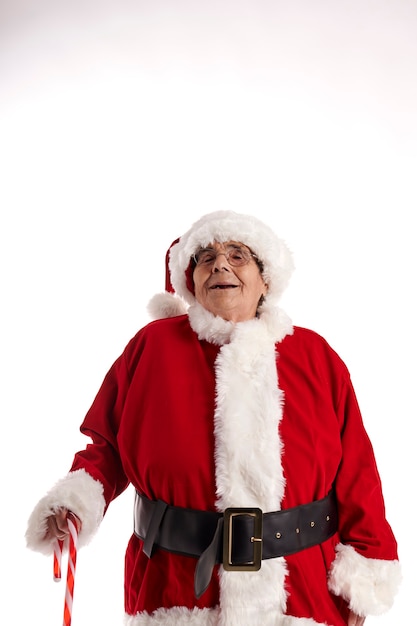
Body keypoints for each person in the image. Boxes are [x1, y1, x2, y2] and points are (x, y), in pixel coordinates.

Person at [26, 210, 401, 626]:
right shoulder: (151, 348)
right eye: (205, 257)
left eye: (238, 255)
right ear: (190, 280)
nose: (220, 264)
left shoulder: (316, 356)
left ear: (266, 279)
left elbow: (359, 473)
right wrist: (76, 503)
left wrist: (365, 576)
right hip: (175, 589)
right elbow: (107, 447)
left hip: (302, 595)